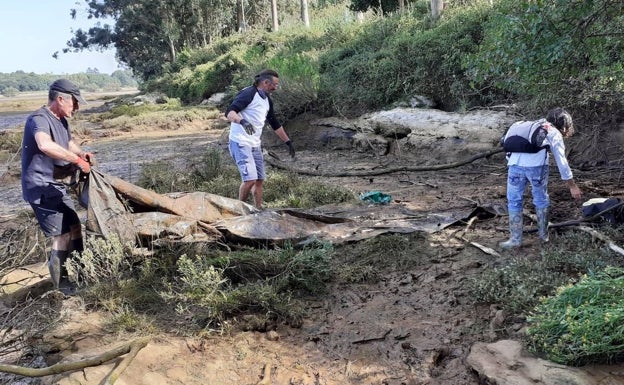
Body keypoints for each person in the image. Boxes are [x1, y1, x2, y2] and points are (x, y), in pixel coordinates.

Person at [21, 79, 94, 295]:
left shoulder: (61, 119)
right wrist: (77, 161)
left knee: (75, 227)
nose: (77, 107)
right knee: (61, 235)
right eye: (74, 102)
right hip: (40, 187)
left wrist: (80, 153)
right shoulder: (39, 119)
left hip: (55, 186)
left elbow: (67, 142)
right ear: (60, 99)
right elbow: (44, 144)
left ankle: (82, 272)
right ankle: (62, 286)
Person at [499, 107, 582, 249]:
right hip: (536, 168)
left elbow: (508, 149)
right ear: (564, 125)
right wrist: (572, 185)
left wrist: (513, 164)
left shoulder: (530, 125)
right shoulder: (553, 132)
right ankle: (544, 238)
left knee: (514, 201)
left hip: (514, 166)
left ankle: (514, 240)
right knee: (541, 199)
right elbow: (562, 161)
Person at [225, 69, 296, 208]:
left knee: (259, 179)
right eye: (274, 84)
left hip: (255, 144)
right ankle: (240, 209)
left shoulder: (267, 100)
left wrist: (288, 142)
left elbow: (274, 123)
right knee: (250, 179)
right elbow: (229, 112)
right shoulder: (249, 94)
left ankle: (258, 208)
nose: (276, 88)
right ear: (265, 82)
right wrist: (242, 121)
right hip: (240, 142)